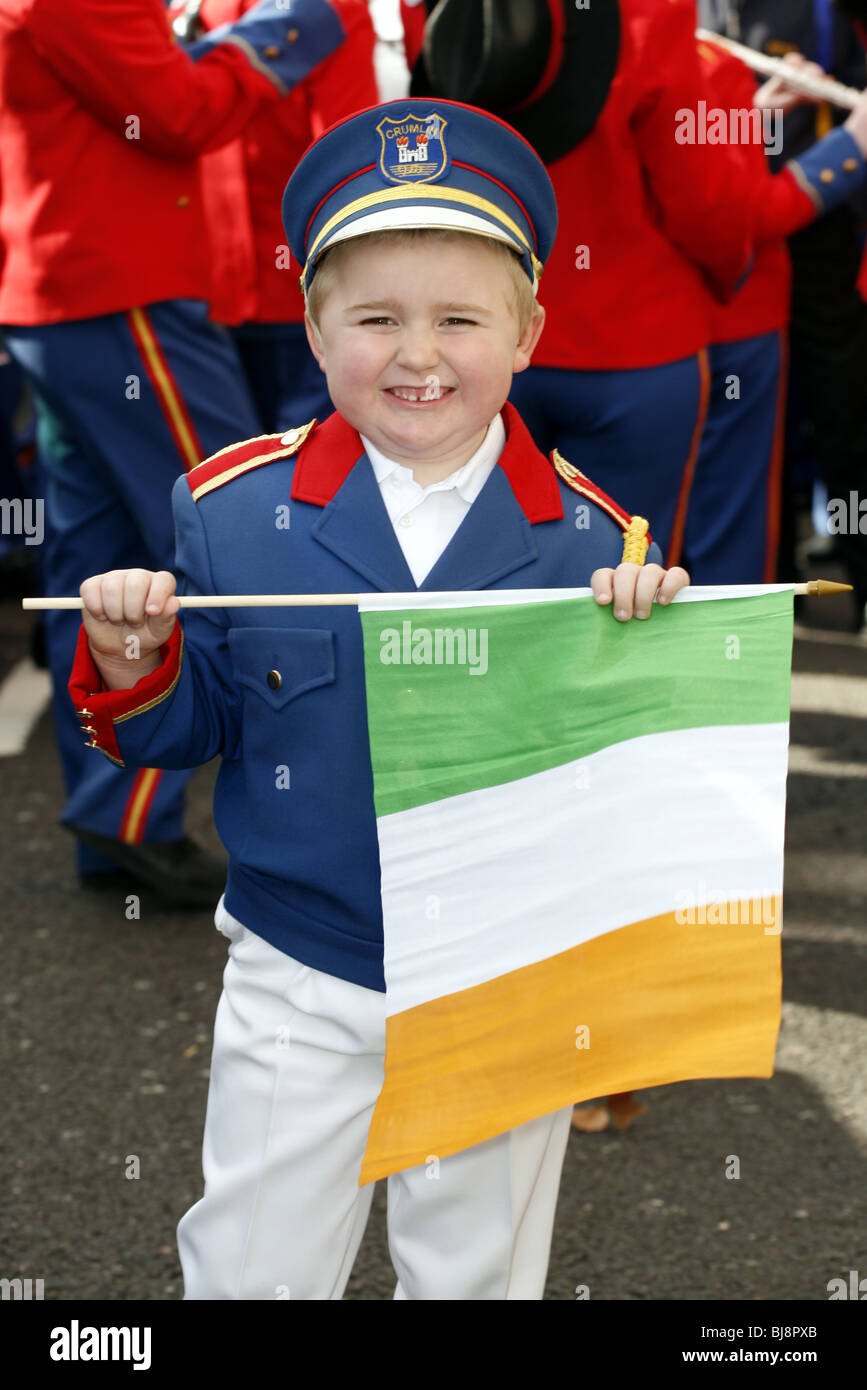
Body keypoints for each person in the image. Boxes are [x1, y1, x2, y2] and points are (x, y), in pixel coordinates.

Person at [68, 98, 690, 1300]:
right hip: (303, 966)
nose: (418, 355)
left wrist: (653, 652)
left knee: (476, 1278)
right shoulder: (234, 509)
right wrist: (138, 659)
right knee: (249, 1270)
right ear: (312, 328)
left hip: (502, 975)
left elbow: (633, 786)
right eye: (376, 319)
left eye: (461, 318)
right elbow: (196, 723)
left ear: (527, 333)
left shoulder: (594, 543)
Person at [0, 0, 363, 903]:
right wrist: (290, 29)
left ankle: (120, 816)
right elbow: (182, 112)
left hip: (73, 286)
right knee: (231, 532)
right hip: (123, 286)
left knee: (99, 554)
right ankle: (233, 813)